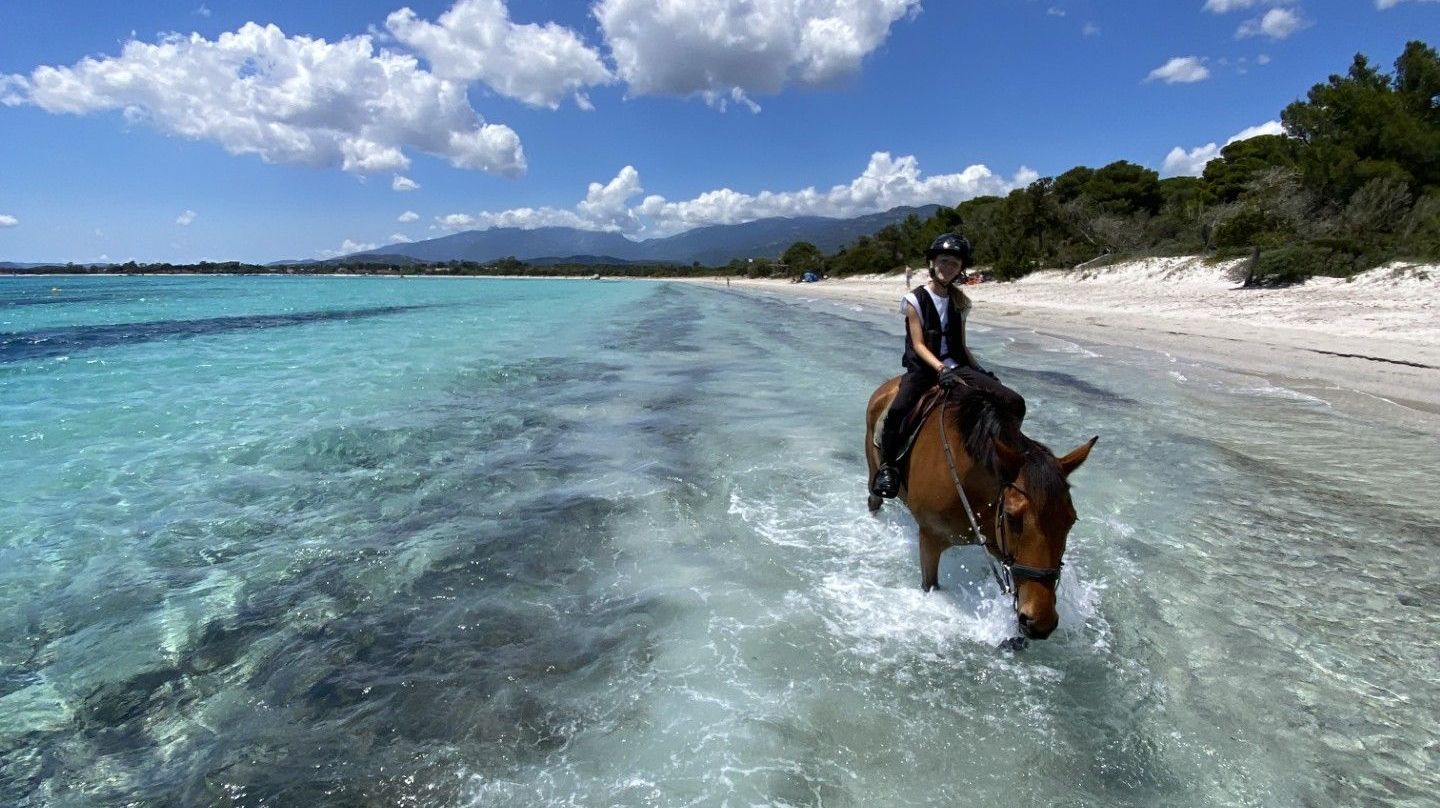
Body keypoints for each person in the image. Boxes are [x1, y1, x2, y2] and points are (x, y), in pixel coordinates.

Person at [870, 233, 1027, 499]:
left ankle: (1005, 455)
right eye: (943, 261)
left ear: (960, 268)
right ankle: (888, 467)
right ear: (932, 263)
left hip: (957, 367)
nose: (948, 267)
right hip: (923, 369)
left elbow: (961, 345)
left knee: (1013, 401)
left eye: (954, 264)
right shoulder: (914, 300)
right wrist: (940, 369)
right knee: (897, 411)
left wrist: (979, 371)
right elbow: (918, 344)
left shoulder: (960, 302)